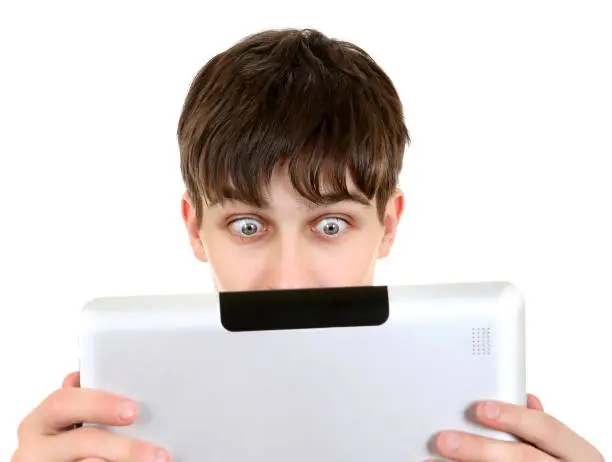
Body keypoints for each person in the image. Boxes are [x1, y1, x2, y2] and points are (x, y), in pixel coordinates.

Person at [12, 28, 603, 462]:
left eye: (329, 226)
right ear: (196, 229)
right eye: (248, 226)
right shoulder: (122, 440)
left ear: (388, 225)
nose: (288, 279)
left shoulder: (469, 439)